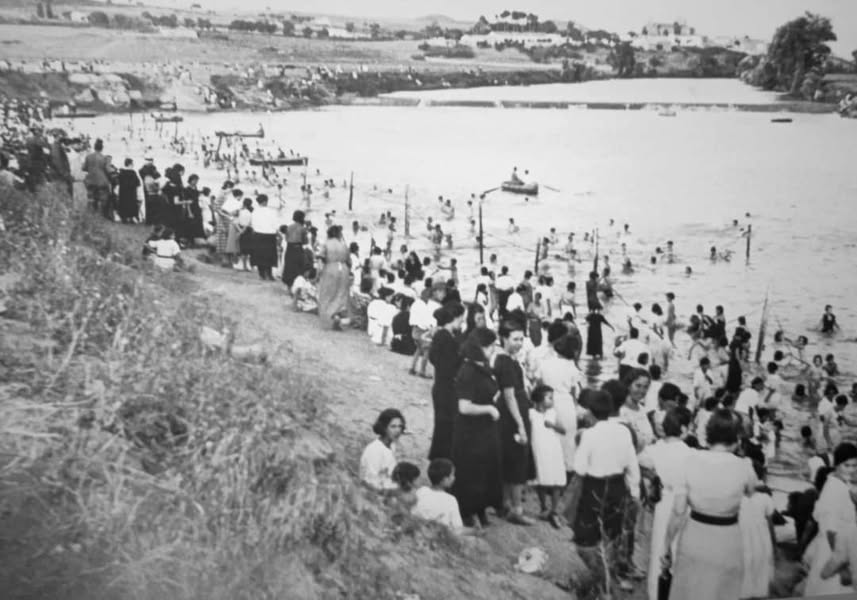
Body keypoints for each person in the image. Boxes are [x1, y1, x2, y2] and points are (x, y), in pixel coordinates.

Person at [661, 409, 758, 600]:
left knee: (689, 590)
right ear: (737, 437)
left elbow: (679, 511)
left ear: (709, 434)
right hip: (727, 540)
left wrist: (666, 545)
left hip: (695, 537)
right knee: (722, 591)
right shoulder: (745, 466)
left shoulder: (689, 461)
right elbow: (751, 491)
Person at [565, 389, 640, 595]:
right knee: (611, 537)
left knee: (586, 540)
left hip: (595, 488)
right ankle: (607, 581)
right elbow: (632, 466)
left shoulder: (589, 434)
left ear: (590, 412)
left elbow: (579, 468)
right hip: (618, 486)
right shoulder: (624, 431)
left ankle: (602, 584)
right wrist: (634, 493)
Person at [638, 408, 694, 600]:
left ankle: (655, 594)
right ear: (685, 429)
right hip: (685, 501)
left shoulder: (654, 449)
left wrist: (652, 476)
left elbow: (642, 461)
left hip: (663, 500)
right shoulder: (690, 454)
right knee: (681, 548)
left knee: (658, 549)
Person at [451, 328, 503, 528]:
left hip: (483, 429)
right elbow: (464, 407)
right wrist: (489, 408)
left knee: (484, 470)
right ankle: (468, 511)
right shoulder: (468, 370)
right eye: (489, 346)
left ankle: (480, 509)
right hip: (470, 430)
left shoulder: (482, 366)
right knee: (471, 471)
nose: (492, 350)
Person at [802, 442, 857, 595]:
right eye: (847, 465)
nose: (852, 470)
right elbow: (830, 531)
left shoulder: (841, 483)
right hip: (832, 553)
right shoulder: (833, 489)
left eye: (855, 465)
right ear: (837, 465)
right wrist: (843, 568)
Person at [494, 320, 534, 525]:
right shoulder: (507, 363)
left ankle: (506, 503)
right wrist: (520, 425)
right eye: (515, 339)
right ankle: (516, 509)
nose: (519, 343)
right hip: (514, 414)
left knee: (508, 459)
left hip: (510, 412)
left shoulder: (504, 359)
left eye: (521, 339)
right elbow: (509, 396)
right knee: (518, 460)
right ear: (504, 338)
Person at [536, 322, 583, 479]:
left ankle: (551, 471)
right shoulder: (572, 368)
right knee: (568, 438)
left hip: (548, 402)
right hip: (565, 403)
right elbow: (575, 392)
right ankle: (568, 469)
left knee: (551, 437)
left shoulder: (546, 364)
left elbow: (539, 384)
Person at [428, 305, 464, 461]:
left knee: (442, 425)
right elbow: (450, 365)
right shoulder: (447, 338)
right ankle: (442, 459)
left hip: (440, 385)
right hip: (447, 387)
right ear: (454, 318)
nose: (462, 321)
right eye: (461, 318)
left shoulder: (440, 335)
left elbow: (433, 358)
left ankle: (439, 457)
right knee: (446, 426)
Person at [529, 385, 566, 528]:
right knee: (542, 479)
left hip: (553, 449)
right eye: (549, 397)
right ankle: (543, 507)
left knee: (557, 479)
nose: (552, 400)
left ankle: (554, 510)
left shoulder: (553, 413)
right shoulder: (531, 413)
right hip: (539, 449)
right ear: (539, 399)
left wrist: (552, 425)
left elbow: (564, 430)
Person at [739, 461, 776, 600]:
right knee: (759, 565)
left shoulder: (736, 500)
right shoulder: (764, 498)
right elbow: (771, 524)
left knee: (747, 565)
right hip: (760, 539)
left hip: (744, 539)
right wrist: (774, 542)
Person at [412, 458, 470, 535]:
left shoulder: (421, 491)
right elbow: (458, 529)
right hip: (440, 538)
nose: (454, 477)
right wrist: (474, 531)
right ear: (445, 480)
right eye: (452, 475)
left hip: (419, 533)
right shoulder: (451, 500)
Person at [359, 408, 406, 492]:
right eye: (393, 426)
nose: (398, 430)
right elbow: (369, 483)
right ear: (384, 428)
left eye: (400, 426)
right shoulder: (375, 450)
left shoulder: (392, 445)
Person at [317, 225, 351, 330]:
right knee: (341, 294)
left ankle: (331, 316)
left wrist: (318, 273)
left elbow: (321, 258)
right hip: (344, 269)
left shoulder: (326, 244)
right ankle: (338, 314)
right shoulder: (344, 245)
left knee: (328, 293)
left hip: (330, 268)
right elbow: (349, 261)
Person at [248, 194, 279, 281]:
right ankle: (269, 274)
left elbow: (252, 224)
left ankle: (261, 274)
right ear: (265, 201)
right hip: (269, 235)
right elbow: (276, 225)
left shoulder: (254, 212)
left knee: (259, 255)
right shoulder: (272, 211)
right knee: (269, 255)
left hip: (258, 235)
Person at [82, 138, 111, 217]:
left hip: (91, 180)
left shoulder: (88, 157)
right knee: (103, 199)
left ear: (94, 147)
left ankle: (93, 215)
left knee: (92, 199)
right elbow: (108, 170)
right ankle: (103, 216)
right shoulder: (104, 158)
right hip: (102, 181)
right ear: (102, 148)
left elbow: (84, 168)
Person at [281, 210, 308, 287]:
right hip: (298, 247)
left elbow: (286, 239)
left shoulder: (289, 227)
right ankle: (297, 283)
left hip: (289, 248)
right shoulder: (302, 228)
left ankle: (289, 283)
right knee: (298, 266)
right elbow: (305, 241)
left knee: (289, 266)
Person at [116, 158, 141, 224]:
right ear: (130, 164)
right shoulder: (133, 173)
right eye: (132, 164)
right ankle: (131, 218)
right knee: (131, 204)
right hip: (131, 192)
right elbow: (138, 183)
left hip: (123, 192)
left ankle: (124, 218)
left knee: (123, 204)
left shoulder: (121, 172)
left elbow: (118, 181)